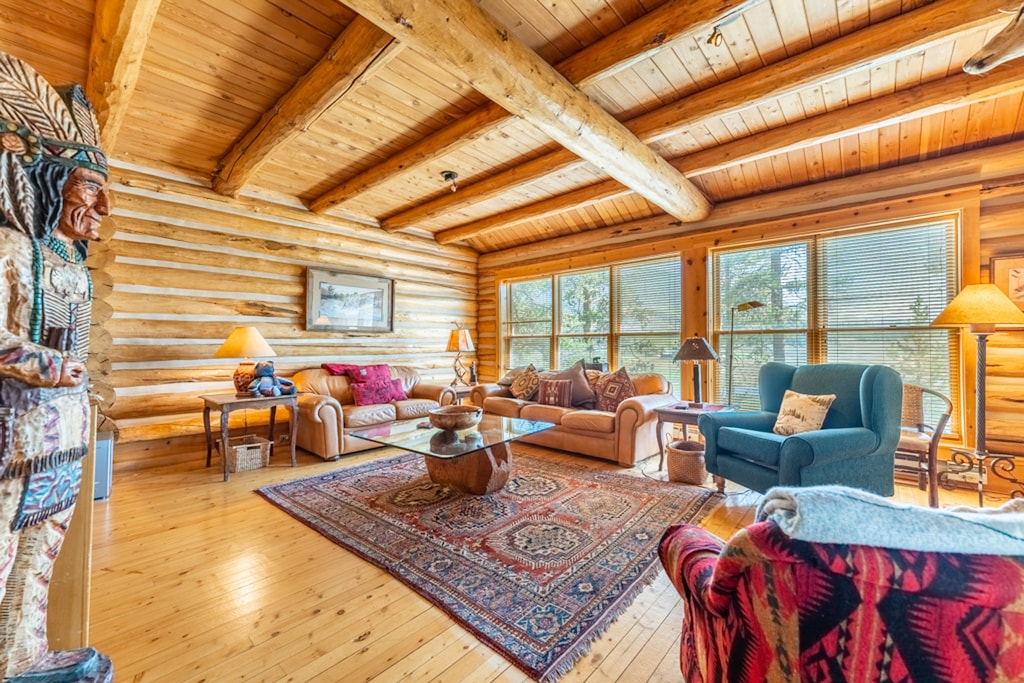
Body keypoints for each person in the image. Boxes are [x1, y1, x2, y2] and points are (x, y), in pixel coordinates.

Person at [0, 50, 113, 681]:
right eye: (88, 193)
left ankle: (24, 659)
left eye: (103, 200)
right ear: (48, 184)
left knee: (41, 554)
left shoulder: (75, 268)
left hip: (65, 433)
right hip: (11, 430)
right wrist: (47, 365)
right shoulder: (11, 247)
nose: (98, 213)